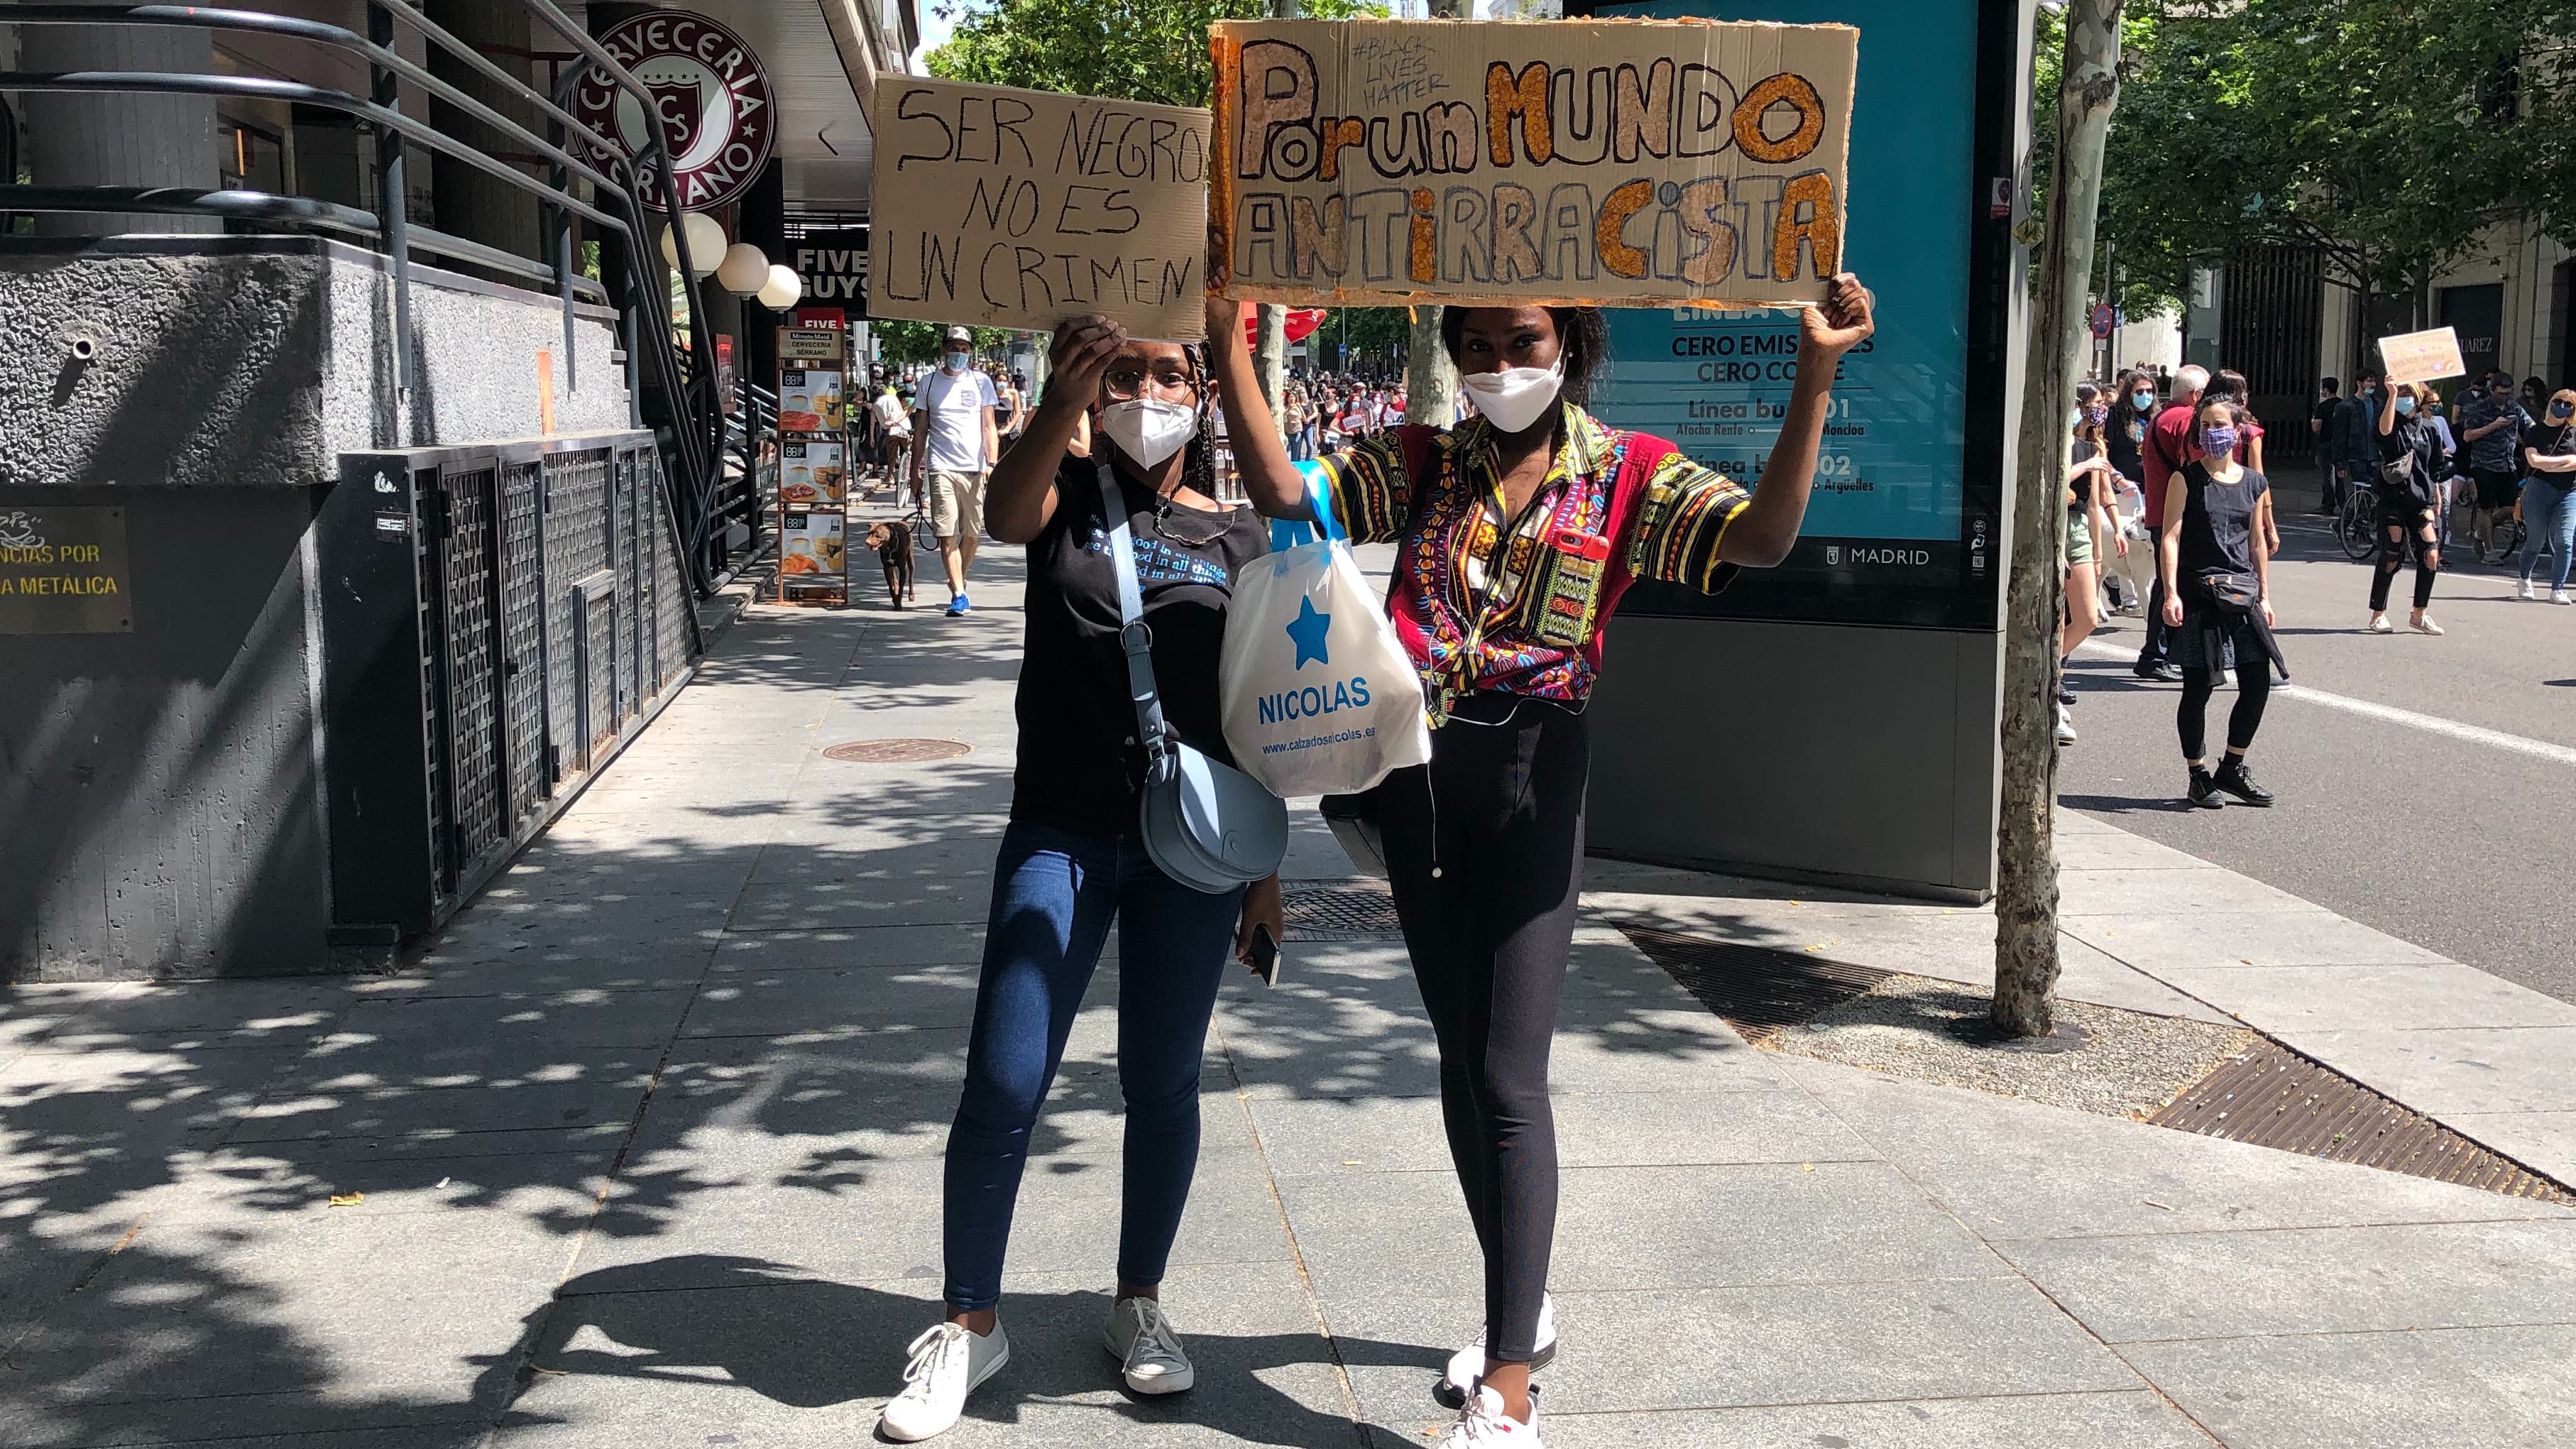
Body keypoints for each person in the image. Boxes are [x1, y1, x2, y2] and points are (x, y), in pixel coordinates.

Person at [1220, 277, 1878, 1448]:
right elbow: (1283, 489)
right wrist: (1229, 348)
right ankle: (1515, 1304)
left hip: (1535, 773)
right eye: (1471, 344)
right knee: (1459, 1058)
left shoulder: (1627, 470)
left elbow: (1762, 538)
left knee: (1509, 1070)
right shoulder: (1421, 459)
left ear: (1566, 341)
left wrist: (1813, 374)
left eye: (1516, 339)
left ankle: (1509, 1381)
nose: (1493, 360)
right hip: (1411, 779)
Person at [876, 297, 1285, 1443]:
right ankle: (968, 1323)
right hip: (1057, 833)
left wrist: (1263, 871)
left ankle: (1139, 1304)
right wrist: (1061, 391)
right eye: (1128, 375)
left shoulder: (1238, 534)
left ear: (1199, 392)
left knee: (1161, 1085)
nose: (1148, 395)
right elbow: (1004, 513)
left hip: (1190, 851)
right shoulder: (1056, 499)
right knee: (1003, 1083)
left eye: (1169, 375)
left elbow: (1251, 712)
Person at [2158, 395, 2279, 809]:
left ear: (2239, 429)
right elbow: (2170, 537)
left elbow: (2257, 541)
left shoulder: (2254, 482)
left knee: (2257, 682)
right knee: (2200, 686)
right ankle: (2198, 773)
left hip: (2242, 595)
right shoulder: (2186, 479)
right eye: (2206, 425)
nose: (2214, 433)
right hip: (2200, 594)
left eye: (2221, 424)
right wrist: (2171, 592)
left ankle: (2233, 766)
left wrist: (2265, 595)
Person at [914, 327, 1001, 616]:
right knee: (946, 532)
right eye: (954, 348)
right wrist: (915, 471)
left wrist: (992, 463)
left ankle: (959, 580)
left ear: (970, 352)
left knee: (972, 534)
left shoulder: (981, 382)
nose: (958, 354)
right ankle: (959, 594)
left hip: (975, 469)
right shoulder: (927, 383)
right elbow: (921, 430)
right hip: (941, 467)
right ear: (944, 350)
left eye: (964, 349)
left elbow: (989, 426)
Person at [2135, 363, 2209, 681]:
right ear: (2195, 395)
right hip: (2176, 513)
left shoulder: (2160, 419)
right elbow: (2196, 463)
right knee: (2174, 584)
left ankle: (2157, 651)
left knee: (2169, 582)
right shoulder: (2184, 420)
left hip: (2160, 509)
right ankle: (2158, 652)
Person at [2063, 382, 2123, 744]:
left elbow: (2096, 500)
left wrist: (2103, 550)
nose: (2098, 410)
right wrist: (2082, 466)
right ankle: (2051, 690)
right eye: (2094, 404)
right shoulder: (2056, 444)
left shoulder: (2093, 446)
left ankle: (2049, 667)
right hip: (2050, 530)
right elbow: (2048, 482)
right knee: (2054, 617)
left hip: (2079, 530)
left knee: (2087, 617)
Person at [2369, 381, 2448, 635]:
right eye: (2400, 393)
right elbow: (2382, 434)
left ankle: (2419, 613)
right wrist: (2392, 394)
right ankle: (2378, 613)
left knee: (2430, 554)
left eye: (2407, 394)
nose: (2404, 398)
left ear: (2418, 398)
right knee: (2392, 555)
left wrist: (2435, 494)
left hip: (2420, 500)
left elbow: (2435, 467)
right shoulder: (2392, 425)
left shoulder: (2430, 430)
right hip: (2392, 498)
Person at [2457, 370, 2532, 562]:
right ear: (2492, 391)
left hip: (2508, 465)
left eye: (2508, 393)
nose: (2504, 398)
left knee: (2511, 509)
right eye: (2501, 393)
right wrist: (2494, 426)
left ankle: (2480, 533)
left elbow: (2531, 426)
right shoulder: (2479, 408)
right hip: (2484, 464)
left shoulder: (2514, 408)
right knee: (2486, 507)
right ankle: (2490, 552)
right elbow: (2467, 436)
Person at [2519, 388, 2576, 603]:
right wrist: (2564, 461)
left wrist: (2549, 464)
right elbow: (2534, 461)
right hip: (2539, 489)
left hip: (2570, 491)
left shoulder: (2574, 432)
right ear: (2552, 402)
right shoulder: (2535, 431)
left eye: (2569, 404)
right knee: (2536, 540)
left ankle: (2558, 589)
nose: (2562, 406)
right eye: (2559, 401)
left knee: (2565, 540)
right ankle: (2524, 578)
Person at [2310, 377, 2345, 514]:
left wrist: (2313, 422)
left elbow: (2317, 427)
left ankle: (2328, 505)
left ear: (2326, 389)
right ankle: (2343, 504)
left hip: (2326, 443)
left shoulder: (2323, 407)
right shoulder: (2343, 405)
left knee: (2328, 476)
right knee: (2340, 474)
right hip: (2341, 443)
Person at [875, 381, 915, 493]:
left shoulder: (876, 404)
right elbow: (902, 411)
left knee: (891, 456)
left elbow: (882, 420)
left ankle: (890, 478)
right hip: (903, 427)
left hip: (891, 430)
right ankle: (908, 475)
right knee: (908, 452)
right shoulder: (893, 398)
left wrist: (888, 424)